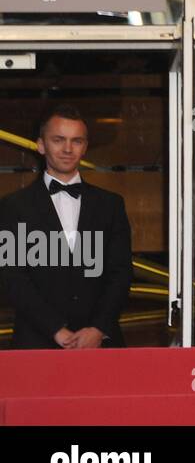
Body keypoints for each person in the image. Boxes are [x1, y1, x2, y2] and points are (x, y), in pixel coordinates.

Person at [0, 106, 132, 349]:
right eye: (58, 140)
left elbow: (121, 273)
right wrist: (56, 330)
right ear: (41, 145)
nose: (68, 149)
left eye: (77, 141)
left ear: (85, 146)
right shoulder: (13, 206)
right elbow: (13, 277)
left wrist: (97, 329)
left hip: (101, 345)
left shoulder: (111, 204)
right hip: (36, 344)